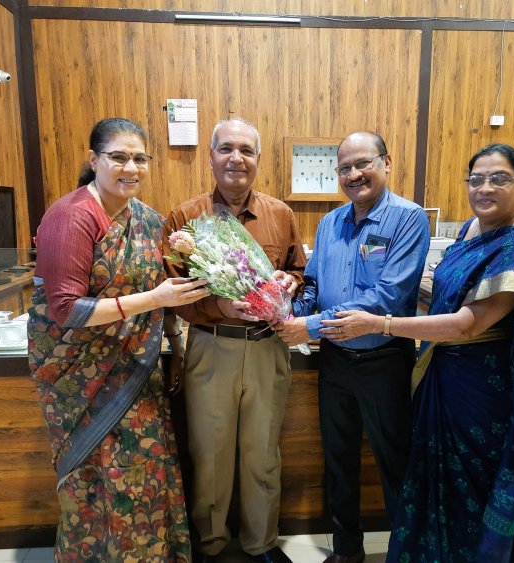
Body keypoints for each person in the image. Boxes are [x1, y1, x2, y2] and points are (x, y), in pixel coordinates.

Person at [322, 144, 514, 562]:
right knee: (443, 485)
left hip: (486, 397)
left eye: (499, 179)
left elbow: (468, 322)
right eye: (477, 179)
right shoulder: (473, 228)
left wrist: (381, 321)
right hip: (444, 382)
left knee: (479, 488)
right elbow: (441, 295)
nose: (485, 188)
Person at [29, 117, 210, 562]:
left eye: (139, 158)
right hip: (79, 377)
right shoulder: (71, 217)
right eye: (119, 157)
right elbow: (65, 309)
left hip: (136, 369)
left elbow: (162, 291)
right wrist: (153, 299)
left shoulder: (146, 219)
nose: (131, 167)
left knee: (143, 470)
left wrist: (176, 341)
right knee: (97, 476)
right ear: (94, 161)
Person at [275, 132, 430, 563]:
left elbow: (388, 296)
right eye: (344, 167)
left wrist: (311, 325)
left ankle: (406, 553)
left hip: (385, 362)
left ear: (386, 161)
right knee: (337, 462)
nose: (354, 174)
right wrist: (288, 307)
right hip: (336, 363)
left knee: (395, 463)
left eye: (363, 163)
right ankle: (346, 553)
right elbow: (317, 287)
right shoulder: (330, 224)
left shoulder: (408, 218)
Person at [162, 118, 307, 563]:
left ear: (258, 160)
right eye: (226, 149)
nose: (236, 158)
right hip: (211, 346)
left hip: (268, 347)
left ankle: (261, 542)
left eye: (246, 150)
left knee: (263, 452)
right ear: (211, 157)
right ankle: (210, 543)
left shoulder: (281, 214)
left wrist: (290, 282)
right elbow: (173, 294)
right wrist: (218, 308)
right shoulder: (186, 218)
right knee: (210, 452)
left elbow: (302, 273)